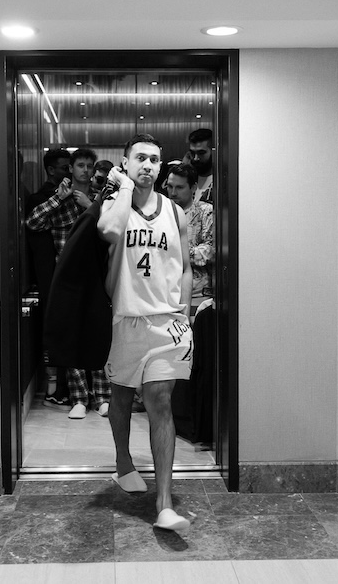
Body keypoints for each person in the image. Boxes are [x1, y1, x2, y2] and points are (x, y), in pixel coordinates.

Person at [97, 133, 194, 533]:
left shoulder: (176, 212)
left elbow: (185, 266)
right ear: (125, 162)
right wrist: (121, 188)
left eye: (154, 160)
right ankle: (123, 461)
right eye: (139, 158)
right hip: (128, 318)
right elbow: (108, 232)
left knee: (160, 400)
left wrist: (184, 310)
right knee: (121, 395)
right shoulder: (114, 204)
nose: (148, 166)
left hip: (168, 323)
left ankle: (164, 504)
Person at [26, 147, 111, 419]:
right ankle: (79, 398)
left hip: (97, 274)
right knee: (72, 337)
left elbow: (115, 231)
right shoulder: (58, 198)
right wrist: (58, 200)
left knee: (97, 336)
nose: (85, 170)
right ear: (71, 168)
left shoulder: (102, 199)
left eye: (89, 166)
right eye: (80, 165)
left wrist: (92, 206)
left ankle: (102, 396)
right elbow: (33, 222)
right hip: (67, 277)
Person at [164, 163, 214, 313]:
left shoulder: (205, 211)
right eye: (170, 186)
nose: (173, 192)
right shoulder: (161, 213)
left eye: (179, 187)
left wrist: (175, 252)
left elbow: (210, 250)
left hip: (198, 296)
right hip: (166, 294)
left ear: (193, 188)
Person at [184, 128, 214, 204]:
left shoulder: (221, 183)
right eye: (192, 153)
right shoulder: (188, 179)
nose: (195, 158)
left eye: (201, 153)